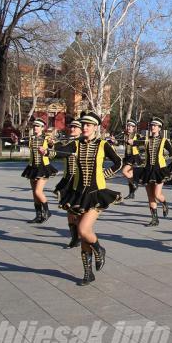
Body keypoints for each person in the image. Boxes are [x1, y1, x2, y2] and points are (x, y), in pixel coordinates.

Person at [51, 111, 122, 285]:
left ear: (95, 128)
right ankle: (87, 273)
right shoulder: (76, 144)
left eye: (88, 125)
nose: (84, 127)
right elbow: (62, 151)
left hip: (96, 193)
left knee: (83, 230)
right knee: (84, 236)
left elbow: (118, 162)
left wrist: (104, 174)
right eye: (83, 125)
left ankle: (99, 249)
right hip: (78, 193)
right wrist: (49, 150)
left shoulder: (103, 145)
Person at [133, 117, 172, 226]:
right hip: (147, 170)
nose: (152, 127)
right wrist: (131, 142)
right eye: (151, 125)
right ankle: (154, 219)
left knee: (157, 194)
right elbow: (135, 144)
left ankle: (164, 203)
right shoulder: (146, 139)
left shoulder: (164, 140)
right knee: (150, 196)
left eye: (155, 125)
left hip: (159, 170)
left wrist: (163, 158)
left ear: (159, 128)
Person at [51, 117, 82, 248]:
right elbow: (55, 154)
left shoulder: (81, 143)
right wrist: (51, 146)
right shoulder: (68, 142)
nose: (72, 129)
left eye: (75, 127)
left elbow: (62, 152)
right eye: (71, 127)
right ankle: (74, 237)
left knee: (78, 210)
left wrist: (55, 147)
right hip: (67, 180)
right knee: (68, 210)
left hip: (79, 180)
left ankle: (81, 234)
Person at [21, 118, 58, 224]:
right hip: (32, 167)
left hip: (43, 167)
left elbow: (52, 148)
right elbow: (23, 143)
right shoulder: (31, 138)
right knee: (34, 193)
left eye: (37, 126)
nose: (35, 128)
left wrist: (51, 144)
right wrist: (15, 140)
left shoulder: (47, 138)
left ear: (42, 128)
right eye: (34, 126)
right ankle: (38, 215)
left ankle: (47, 211)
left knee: (38, 191)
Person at [118, 120, 143, 200]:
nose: (129, 128)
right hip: (127, 156)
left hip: (134, 156)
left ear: (134, 128)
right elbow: (118, 142)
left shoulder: (137, 135)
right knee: (129, 175)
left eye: (131, 126)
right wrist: (114, 141)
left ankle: (135, 183)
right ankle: (131, 193)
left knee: (124, 171)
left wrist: (134, 142)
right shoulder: (125, 135)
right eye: (128, 126)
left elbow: (142, 143)